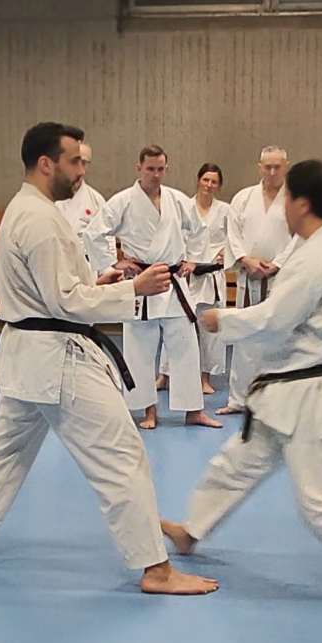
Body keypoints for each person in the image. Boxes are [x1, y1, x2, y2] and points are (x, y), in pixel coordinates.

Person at [0, 122, 218, 596]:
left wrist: (97, 286)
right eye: (75, 161)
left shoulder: (29, 209)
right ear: (46, 163)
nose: (82, 171)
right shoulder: (39, 220)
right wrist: (131, 289)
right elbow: (65, 303)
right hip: (57, 360)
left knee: (1, 454)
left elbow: (56, 292)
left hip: (28, 358)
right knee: (121, 454)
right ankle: (155, 569)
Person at [164, 160, 322, 600]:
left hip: (311, 396)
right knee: (238, 462)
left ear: (302, 204)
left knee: (320, 502)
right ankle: (192, 529)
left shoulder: (320, 257)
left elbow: (274, 320)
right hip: (287, 390)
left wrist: (219, 320)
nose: (283, 208)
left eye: (286, 199)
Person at [93, 145, 220, 430]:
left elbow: (199, 230)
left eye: (161, 169)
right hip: (141, 283)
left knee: (186, 348)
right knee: (139, 349)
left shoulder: (176, 199)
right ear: (138, 168)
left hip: (174, 283)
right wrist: (113, 265)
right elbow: (94, 232)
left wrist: (192, 260)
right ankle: (147, 411)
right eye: (150, 169)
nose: (156, 174)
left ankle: (193, 411)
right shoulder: (123, 201)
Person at [220, 145, 295, 415]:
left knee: (281, 338)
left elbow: (300, 236)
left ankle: (278, 402)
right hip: (249, 277)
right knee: (245, 337)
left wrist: (277, 264)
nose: (272, 171)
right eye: (267, 166)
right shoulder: (243, 198)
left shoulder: (295, 199)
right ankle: (238, 400)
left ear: (286, 166)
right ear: (259, 167)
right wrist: (246, 260)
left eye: (277, 166)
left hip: (282, 278)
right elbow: (233, 234)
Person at [183, 162, 231, 395]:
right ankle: (166, 374)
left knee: (209, 330)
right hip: (187, 274)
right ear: (198, 180)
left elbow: (235, 240)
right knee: (179, 326)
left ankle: (205, 377)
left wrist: (225, 255)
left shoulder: (225, 211)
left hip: (212, 274)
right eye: (206, 180)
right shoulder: (184, 206)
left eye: (214, 182)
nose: (209, 185)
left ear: (219, 186)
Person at [56, 140, 117, 274]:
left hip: (88, 268)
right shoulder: (52, 197)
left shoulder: (96, 200)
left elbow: (107, 238)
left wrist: (108, 269)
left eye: (84, 162)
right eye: (75, 162)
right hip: (57, 266)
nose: (79, 168)